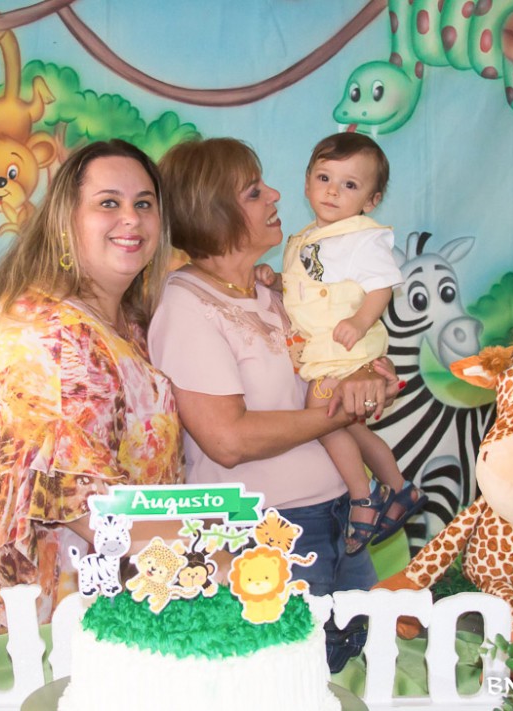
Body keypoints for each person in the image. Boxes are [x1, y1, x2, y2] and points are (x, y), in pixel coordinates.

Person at [0, 140, 183, 635]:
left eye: (144, 203)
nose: (131, 219)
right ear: (64, 221)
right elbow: (85, 501)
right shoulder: (45, 333)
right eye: (108, 203)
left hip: (89, 593)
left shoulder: (125, 324)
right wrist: (206, 561)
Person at [148, 137, 400, 672]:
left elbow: (328, 363)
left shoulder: (275, 292)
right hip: (268, 532)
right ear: (213, 211)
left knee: (354, 672)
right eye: (254, 191)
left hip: (340, 514)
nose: (276, 194)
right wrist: (340, 413)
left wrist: (366, 374)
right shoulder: (186, 304)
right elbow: (228, 440)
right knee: (290, 681)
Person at [279, 132, 427, 555]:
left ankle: (364, 496)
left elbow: (382, 286)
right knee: (351, 426)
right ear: (307, 182)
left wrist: (361, 321)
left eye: (349, 185)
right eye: (324, 178)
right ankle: (399, 488)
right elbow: (303, 285)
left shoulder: (362, 236)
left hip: (346, 347)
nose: (332, 191)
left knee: (322, 413)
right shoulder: (307, 236)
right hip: (327, 349)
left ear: (371, 200)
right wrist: (273, 280)